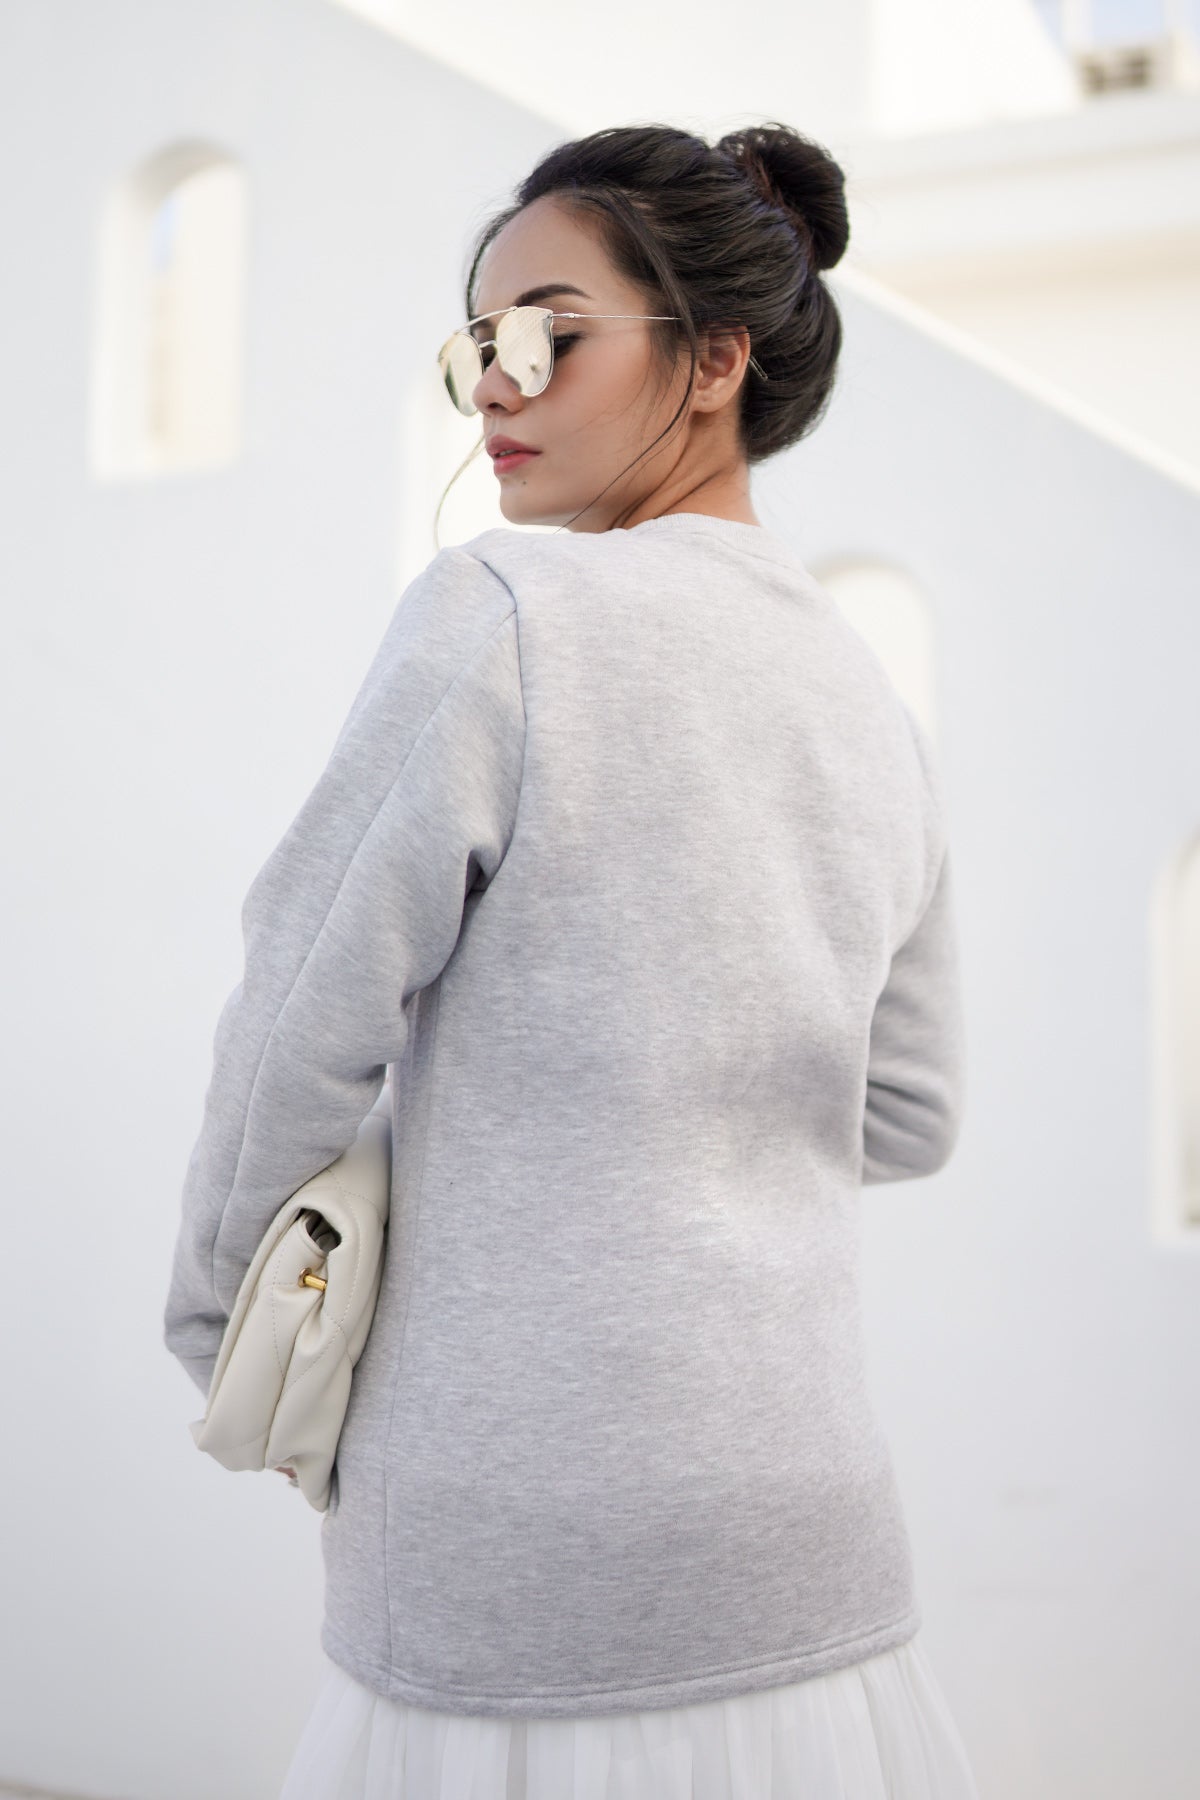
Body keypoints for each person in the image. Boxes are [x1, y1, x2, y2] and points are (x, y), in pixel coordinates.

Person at [163, 120, 981, 1799]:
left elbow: (300, 1013)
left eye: (547, 333)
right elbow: (908, 1115)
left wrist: (221, 1324)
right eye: (479, 341)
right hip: (814, 1557)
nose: (494, 383)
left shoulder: (504, 615)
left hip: (518, 1551)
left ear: (717, 360)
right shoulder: (868, 701)